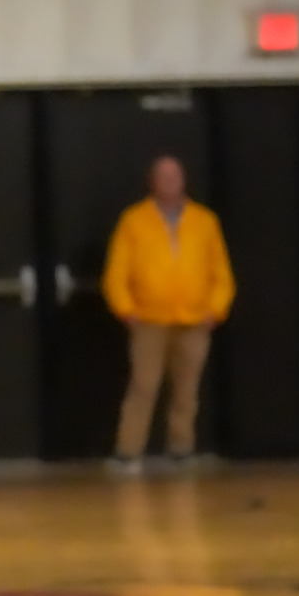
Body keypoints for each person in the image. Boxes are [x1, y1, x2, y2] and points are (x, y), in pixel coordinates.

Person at [102, 154, 235, 473]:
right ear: (153, 182)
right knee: (144, 386)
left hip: (194, 320)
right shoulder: (134, 221)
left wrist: (215, 309)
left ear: (184, 181)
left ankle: (181, 451)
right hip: (149, 319)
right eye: (163, 177)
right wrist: (126, 308)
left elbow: (222, 274)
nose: (169, 183)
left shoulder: (205, 222)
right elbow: (116, 272)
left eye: (175, 177)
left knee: (186, 390)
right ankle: (128, 453)